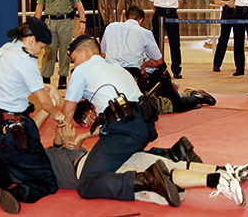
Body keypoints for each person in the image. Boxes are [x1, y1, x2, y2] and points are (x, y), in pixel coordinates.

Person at [31, 110, 248, 207]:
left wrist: (57, 117)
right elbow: (32, 131)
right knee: (163, 169)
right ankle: (225, 173)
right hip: (100, 164)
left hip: (97, 165)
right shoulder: (39, 164)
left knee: (162, 172)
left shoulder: (52, 150)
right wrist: (44, 107)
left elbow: (60, 130)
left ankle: (223, 176)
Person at [60, 34, 174, 204]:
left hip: (125, 129)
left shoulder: (82, 69)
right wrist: (83, 136)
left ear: (85, 52)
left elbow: (67, 113)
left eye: (74, 59)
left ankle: (147, 179)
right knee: (124, 160)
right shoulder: (117, 67)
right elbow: (117, 120)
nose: (74, 64)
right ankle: (174, 154)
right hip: (144, 126)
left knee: (86, 183)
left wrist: (57, 144)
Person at [0, 17, 65, 214]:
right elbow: (43, 101)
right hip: (11, 133)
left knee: (1, 175)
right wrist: (57, 115)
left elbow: (17, 82)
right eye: (42, 46)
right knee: (46, 180)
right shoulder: (25, 59)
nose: (42, 51)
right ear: (31, 40)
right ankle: (17, 194)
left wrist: (49, 87)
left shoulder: (4, 50)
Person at [100, 5, 216, 113]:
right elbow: (158, 61)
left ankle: (194, 96)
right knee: (171, 104)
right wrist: (143, 65)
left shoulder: (111, 27)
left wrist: (140, 64)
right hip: (134, 74)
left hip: (118, 74)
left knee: (170, 101)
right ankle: (179, 93)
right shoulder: (144, 32)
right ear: (141, 20)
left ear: (125, 18)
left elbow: (103, 54)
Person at [34, 0, 86, 90]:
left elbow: (79, 5)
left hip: (66, 23)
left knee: (65, 51)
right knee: (49, 51)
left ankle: (63, 78)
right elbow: (39, 8)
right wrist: (35, 26)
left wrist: (83, 21)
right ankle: (46, 78)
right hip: (50, 23)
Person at [146, 0, 187, 79]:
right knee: (157, 44)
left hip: (173, 15)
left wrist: (171, 9)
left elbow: (181, 0)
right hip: (159, 14)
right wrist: (159, 11)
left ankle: (176, 70)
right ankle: (159, 69)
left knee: (175, 43)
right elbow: (150, 2)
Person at [212, 0, 238, 72]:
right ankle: (217, 64)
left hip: (238, 12)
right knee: (223, 38)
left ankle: (239, 67)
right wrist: (227, 3)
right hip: (227, 12)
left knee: (238, 39)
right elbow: (216, 0)